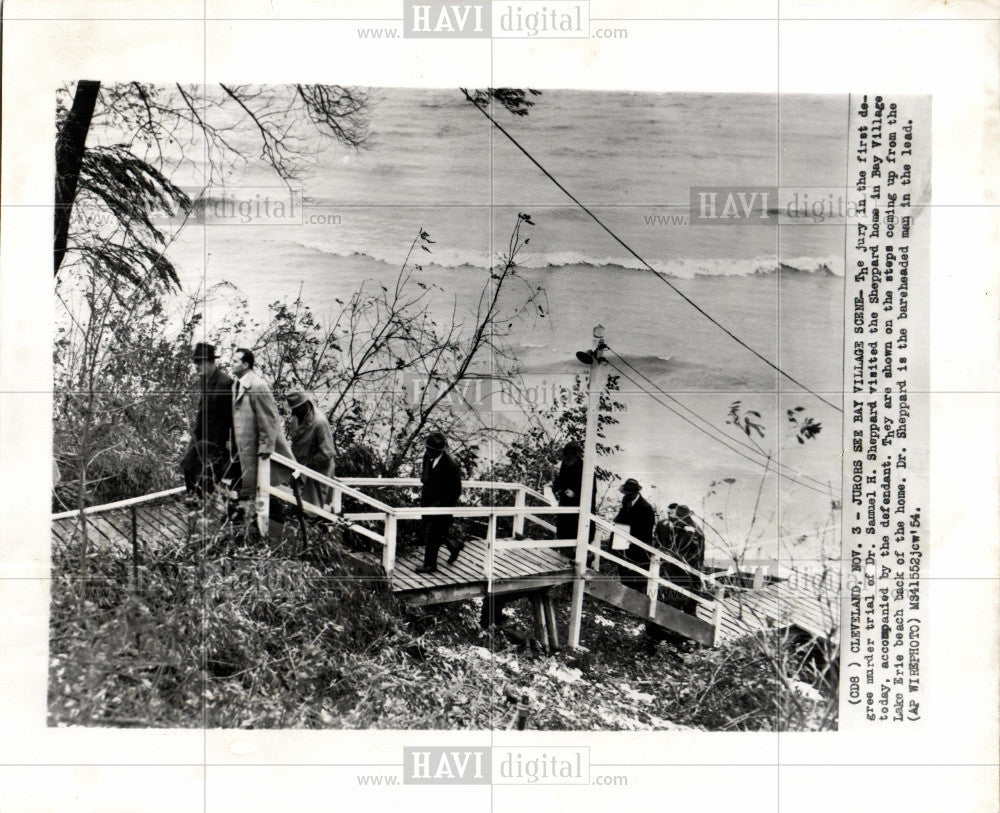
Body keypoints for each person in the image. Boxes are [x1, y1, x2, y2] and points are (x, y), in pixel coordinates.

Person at [230, 348, 294, 513]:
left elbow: (269, 417)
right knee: (245, 484)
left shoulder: (258, 385)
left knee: (262, 486)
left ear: (246, 364)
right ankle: (241, 518)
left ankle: (271, 523)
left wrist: (266, 447)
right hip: (241, 446)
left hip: (255, 449)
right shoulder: (237, 384)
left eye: (235, 361)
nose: (231, 364)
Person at [179, 342, 237, 505]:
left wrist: (229, 444)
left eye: (200, 362)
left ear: (211, 362)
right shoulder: (204, 380)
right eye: (195, 362)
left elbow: (231, 417)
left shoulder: (225, 383)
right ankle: (194, 498)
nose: (196, 366)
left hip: (216, 441)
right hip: (201, 436)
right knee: (187, 465)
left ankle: (200, 502)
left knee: (207, 473)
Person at [415, 431, 464, 574]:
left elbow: (456, 491)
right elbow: (425, 477)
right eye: (428, 449)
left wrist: (440, 506)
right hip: (427, 502)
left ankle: (430, 565)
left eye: (433, 450)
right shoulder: (427, 457)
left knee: (433, 533)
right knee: (432, 532)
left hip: (442, 506)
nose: (429, 452)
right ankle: (454, 546)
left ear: (440, 451)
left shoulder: (450, 465)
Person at [286, 390, 335, 507]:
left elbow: (328, 453)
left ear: (304, 405)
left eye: (296, 409)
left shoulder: (319, 422)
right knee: (296, 501)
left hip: (317, 470)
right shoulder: (296, 418)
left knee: (314, 506)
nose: (293, 412)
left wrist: (307, 463)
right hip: (300, 466)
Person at [613, 478, 656, 592]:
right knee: (623, 569)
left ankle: (636, 600)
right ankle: (624, 597)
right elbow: (621, 517)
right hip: (624, 542)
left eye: (630, 493)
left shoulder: (646, 508)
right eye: (627, 493)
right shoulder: (626, 501)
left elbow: (647, 530)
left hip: (639, 546)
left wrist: (633, 538)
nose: (628, 495)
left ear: (636, 493)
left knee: (637, 575)